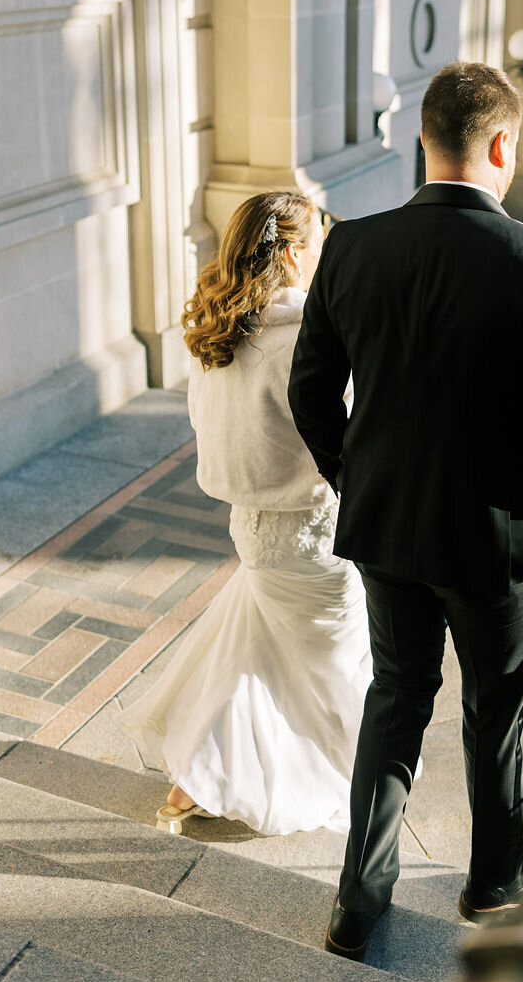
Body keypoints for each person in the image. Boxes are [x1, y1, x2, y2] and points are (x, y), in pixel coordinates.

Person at [288, 61, 523, 959]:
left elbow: (309, 393)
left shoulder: (352, 247)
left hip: (390, 529)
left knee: (396, 698)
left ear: (423, 144)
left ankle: (359, 901)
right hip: (504, 542)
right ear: (501, 144)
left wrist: (360, 479)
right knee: (494, 714)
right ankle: (493, 883)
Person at [119, 190, 372, 838]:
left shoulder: (218, 330)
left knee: (259, 648)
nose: (320, 256)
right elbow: (342, 438)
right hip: (309, 530)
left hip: (252, 526)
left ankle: (194, 781)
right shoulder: (307, 342)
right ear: (292, 252)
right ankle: (358, 776)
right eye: (315, 243)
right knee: (338, 661)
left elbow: (210, 425)